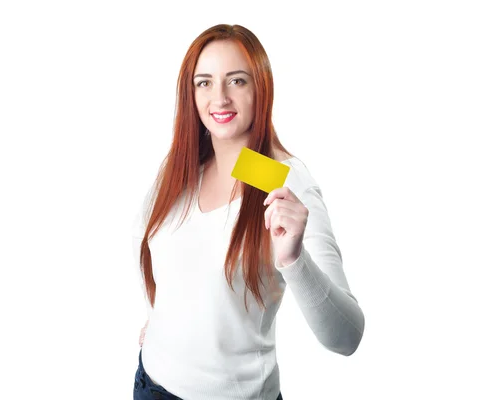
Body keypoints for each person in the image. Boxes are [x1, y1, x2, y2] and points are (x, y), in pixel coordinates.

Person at [131, 24, 365, 400]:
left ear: (261, 87)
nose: (219, 98)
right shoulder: (184, 166)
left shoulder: (277, 178)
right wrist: (158, 321)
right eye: (204, 83)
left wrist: (294, 259)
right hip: (150, 386)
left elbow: (347, 338)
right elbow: (151, 247)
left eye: (236, 81)